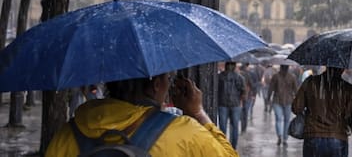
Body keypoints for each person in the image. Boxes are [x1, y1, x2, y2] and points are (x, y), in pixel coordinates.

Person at [45, 73, 237, 156]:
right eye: (168, 79)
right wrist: (198, 112)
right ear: (156, 85)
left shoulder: (68, 134)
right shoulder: (186, 133)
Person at [292, 66, 352, 157]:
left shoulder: (310, 83)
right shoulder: (348, 89)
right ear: (342, 69)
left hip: (313, 136)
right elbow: (351, 117)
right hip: (337, 138)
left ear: (327, 66)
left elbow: (296, 108)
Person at [268, 64, 299, 146]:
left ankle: (281, 136)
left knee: (279, 119)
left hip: (279, 101)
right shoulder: (292, 77)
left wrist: (268, 99)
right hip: (286, 101)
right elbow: (296, 91)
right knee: (286, 120)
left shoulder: (276, 76)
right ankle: (284, 138)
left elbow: (270, 88)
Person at [217, 61, 246, 149]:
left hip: (223, 104)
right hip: (234, 104)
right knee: (234, 126)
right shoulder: (239, 77)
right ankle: (233, 147)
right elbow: (243, 91)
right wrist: (240, 100)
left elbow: (216, 90)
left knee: (223, 127)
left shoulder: (220, 76)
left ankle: (224, 146)